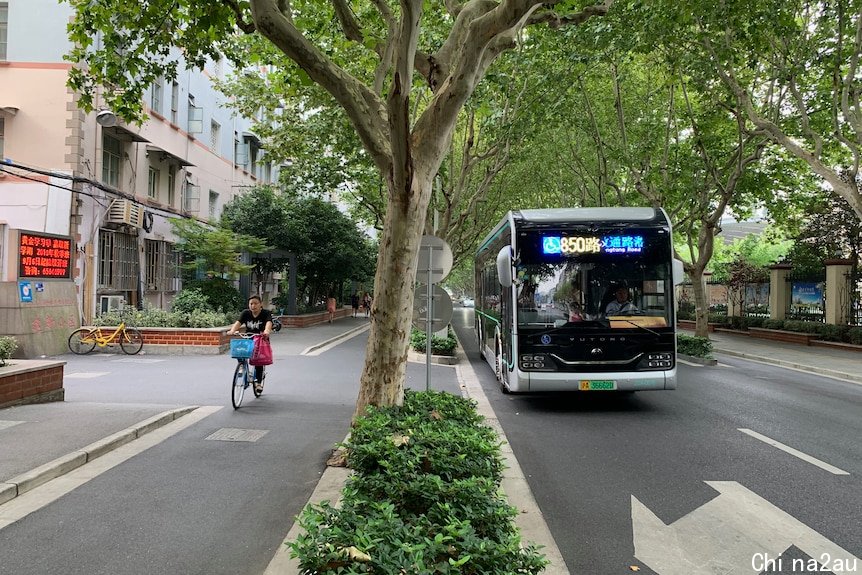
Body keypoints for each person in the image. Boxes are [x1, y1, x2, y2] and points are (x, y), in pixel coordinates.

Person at [227, 295, 273, 393]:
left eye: (255, 303)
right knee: (240, 350)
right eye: (251, 303)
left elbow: (269, 323)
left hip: (261, 338)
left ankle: (258, 383)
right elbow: (238, 323)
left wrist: (266, 331)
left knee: (258, 361)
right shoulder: (246, 313)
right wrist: (232, 331)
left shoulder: (266, 313)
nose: (253, 306)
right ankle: (242, 366)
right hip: (249, 337)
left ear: (260, 304)